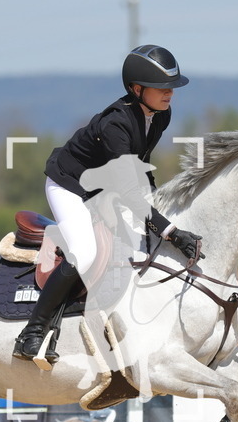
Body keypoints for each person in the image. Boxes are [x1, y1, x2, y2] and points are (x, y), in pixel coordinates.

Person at [13, 44, 202, 366]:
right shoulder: (115, 124)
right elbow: (128, 189)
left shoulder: (160, 114)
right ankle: (32, 332)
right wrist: (169, 231)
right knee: (84, 252)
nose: (170, 93)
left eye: (172, 87)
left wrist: (156, 205)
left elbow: (140, 164)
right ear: (136, 89)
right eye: (162, 88)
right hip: (70, 186)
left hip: (106, 187)